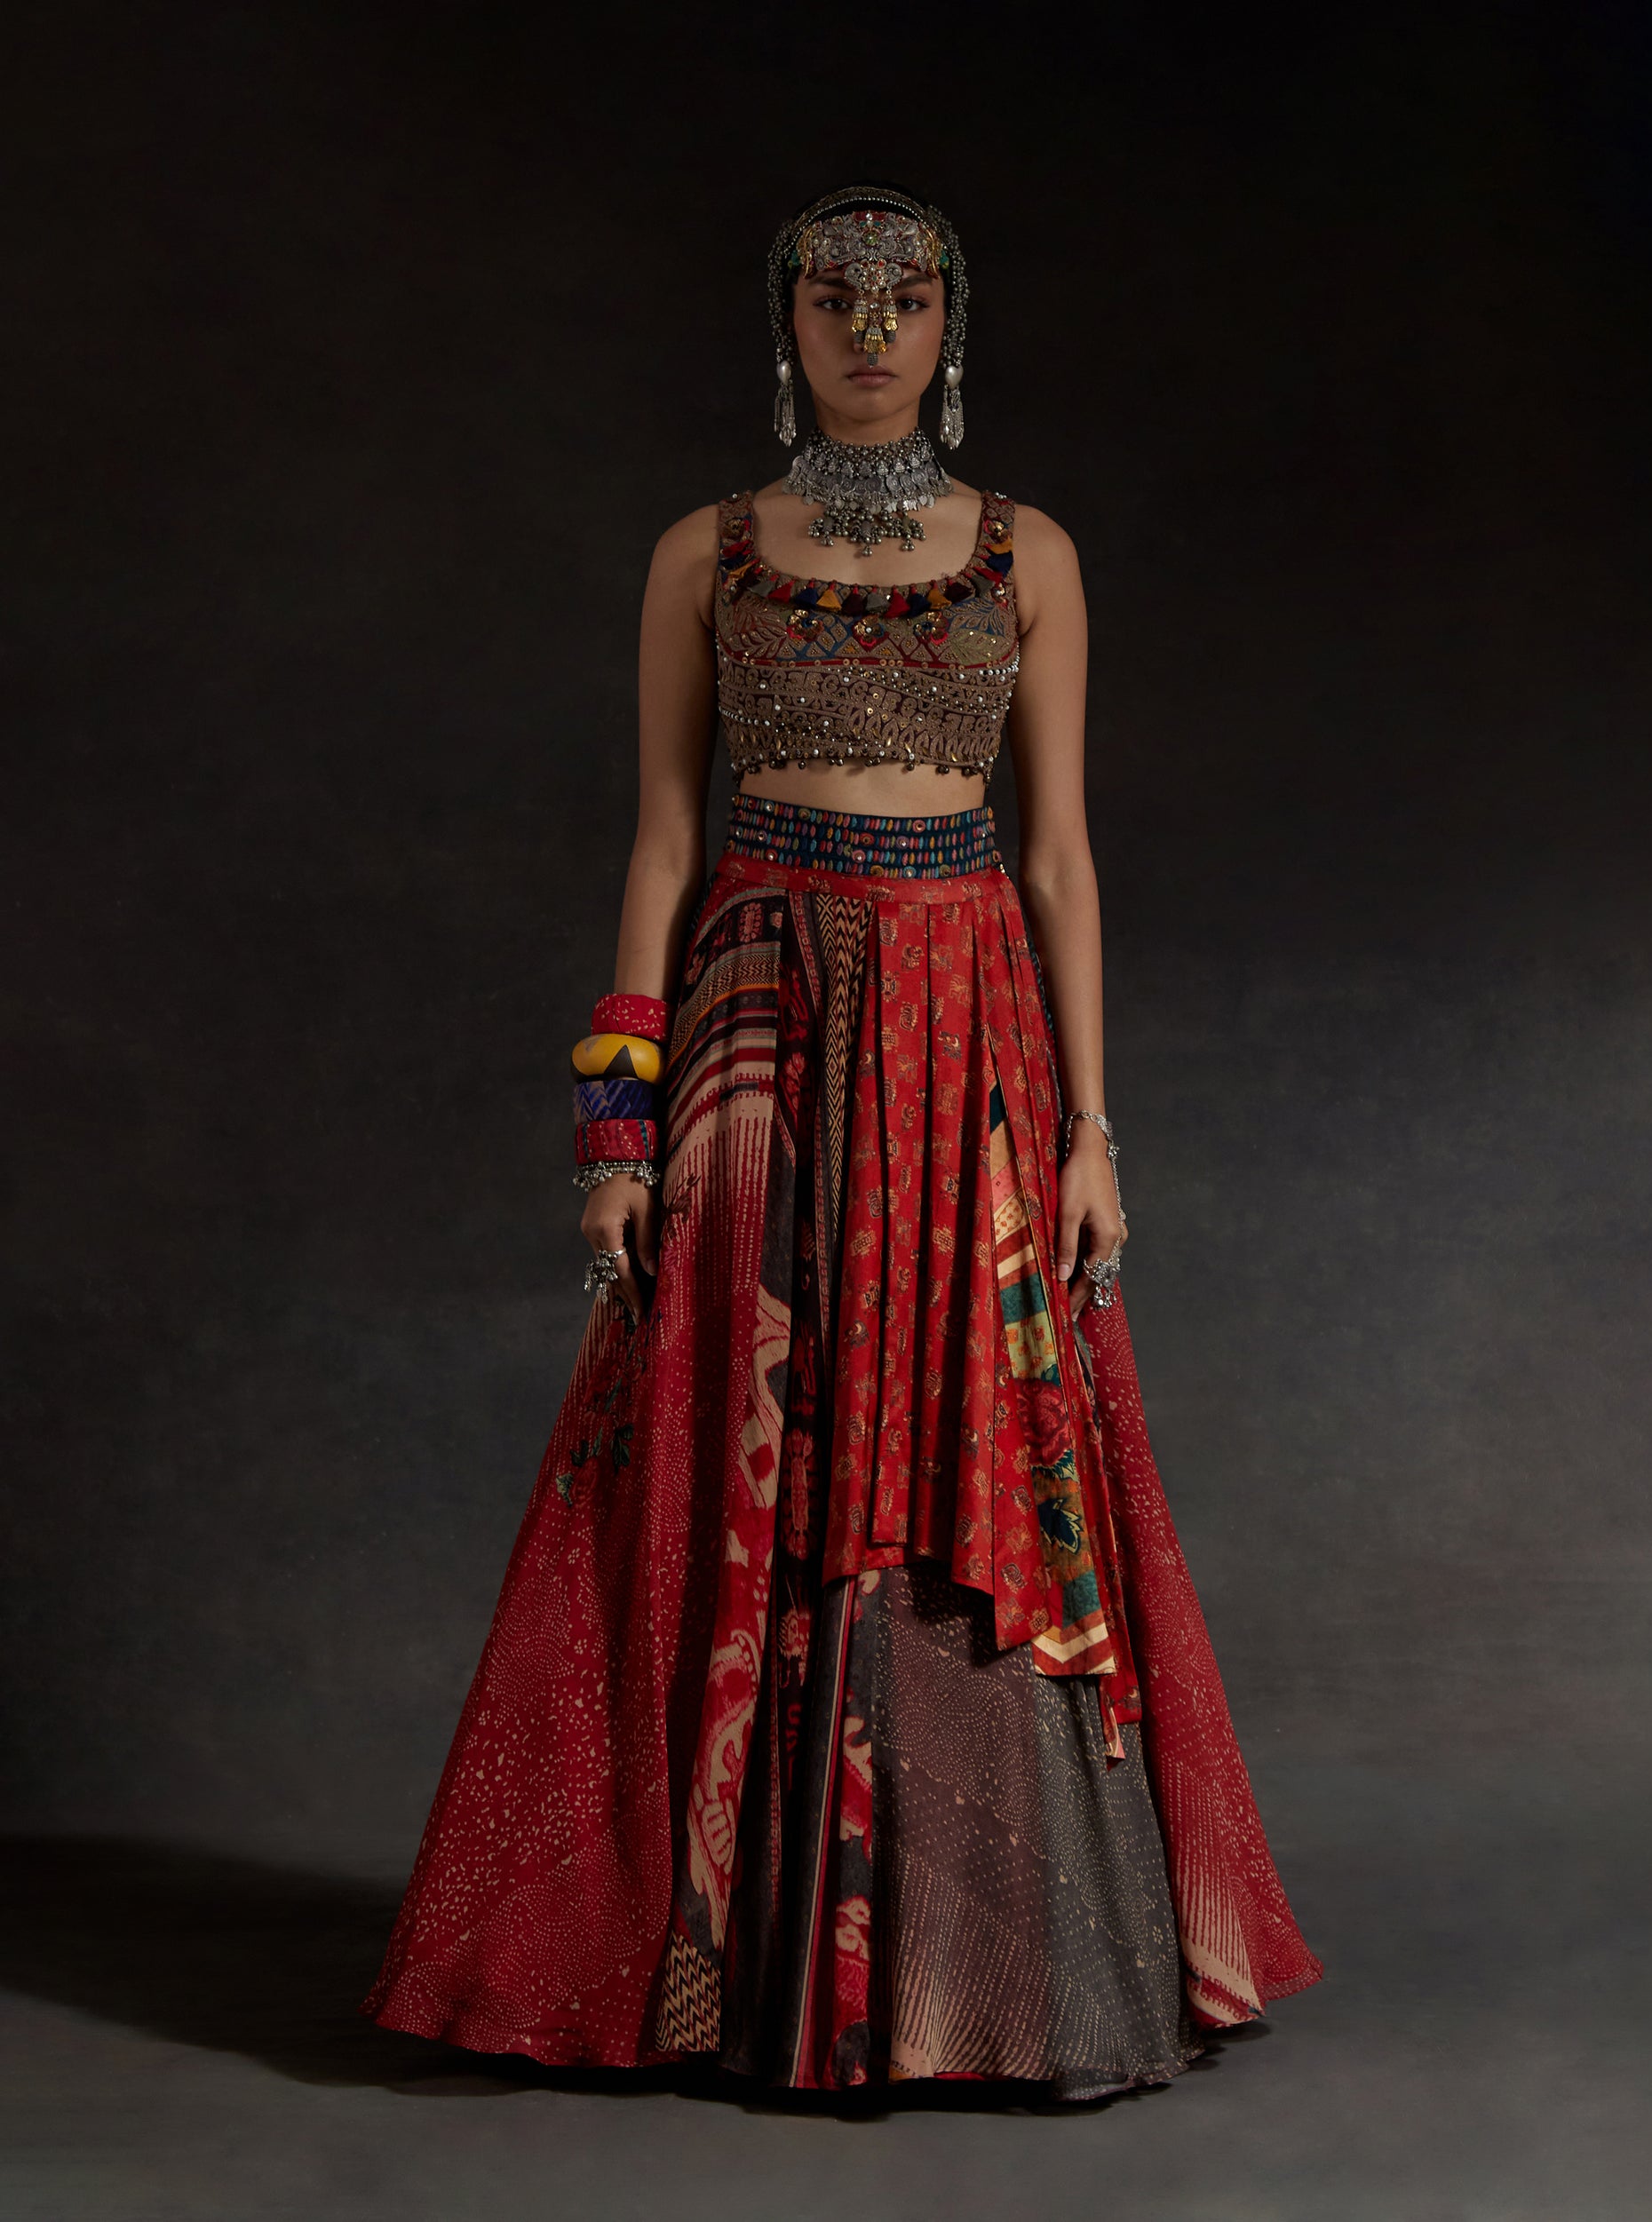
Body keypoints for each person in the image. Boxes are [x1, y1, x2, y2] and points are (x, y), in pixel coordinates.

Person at [364, 184, 1322, 2099]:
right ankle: (717, 1960)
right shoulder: (704, 553)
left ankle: (988, 1972)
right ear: (784, 320)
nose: (868, 331)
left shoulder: (1026, 552)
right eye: (833, 296)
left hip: (966, 1021)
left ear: (950, 326)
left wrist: (1093, 1130)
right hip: (756, 1012)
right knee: (736, 1425)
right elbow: (659, 843)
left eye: (904, 299)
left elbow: (1059, 859)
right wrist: (613, 1130)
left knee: (971, 1427)